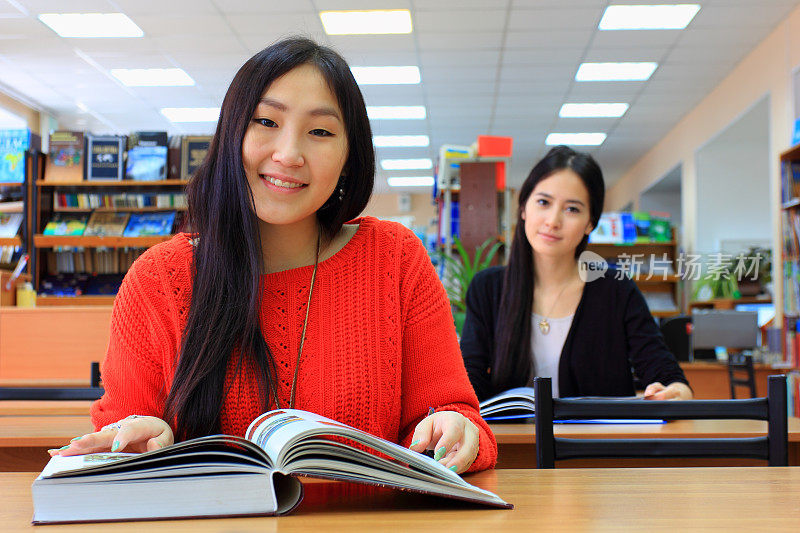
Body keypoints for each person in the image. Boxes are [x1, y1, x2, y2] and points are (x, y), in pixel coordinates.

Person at [49, 37, 496, 474]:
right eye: (266, 122)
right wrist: (138, 439)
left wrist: (456, 430)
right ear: (231, 134)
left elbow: (460, 417)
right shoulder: (160, 278)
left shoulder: (394, 259)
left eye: (320, 131)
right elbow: (118, 435)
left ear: (348, 155)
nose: (289, 154)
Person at [461, 146, 692, 402]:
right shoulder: (488, 288)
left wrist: (676, 391)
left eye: (572, 209)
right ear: (524, 208)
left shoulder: (616, 290)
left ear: (590, 223)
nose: (553, 220)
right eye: (543, 202)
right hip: (513, 440)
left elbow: (665, 372)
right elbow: (470, 376)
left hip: (598, 441)